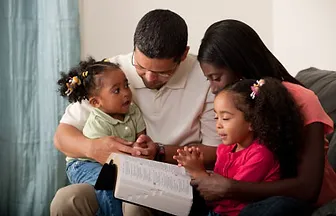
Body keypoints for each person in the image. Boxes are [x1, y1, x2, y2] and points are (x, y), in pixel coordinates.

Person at [50, 9, 221, 216]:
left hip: (172, 179)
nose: (149, 78)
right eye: (140, 67)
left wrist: (159, 152)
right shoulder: (112, 73)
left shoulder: (204, 78)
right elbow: (62, 137)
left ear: (183, 55)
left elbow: (214, 152)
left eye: (162, 73)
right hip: (115, 173)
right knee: (66, 200)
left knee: (134, 205)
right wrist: (93, 148)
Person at [193, 19, 336, 215]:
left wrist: (229, 188)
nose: (213, 88)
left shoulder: (302, 99)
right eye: (208, 79)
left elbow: (308, 188)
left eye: (216, 78)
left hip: (299, 202)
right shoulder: (235, 108)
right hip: (250, 196)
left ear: (240, 67)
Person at [175, 78, 305, 216]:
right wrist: (195, 165)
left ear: (252, 122)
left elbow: (225, 196)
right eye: (216, 117)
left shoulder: (261, 154)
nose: (218, 125)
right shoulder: (224, 149)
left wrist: (199, 173)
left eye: (225, 118)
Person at [56, 57, 146, 215]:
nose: (126, 93)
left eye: (126, 85)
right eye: (116, 90)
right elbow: (104, 156)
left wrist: (141, 146)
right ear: (96, 103)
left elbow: (141, 139)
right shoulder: (97, 123)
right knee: (107, 184)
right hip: (83, 164)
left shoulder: (133, 111)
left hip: (111, 164)